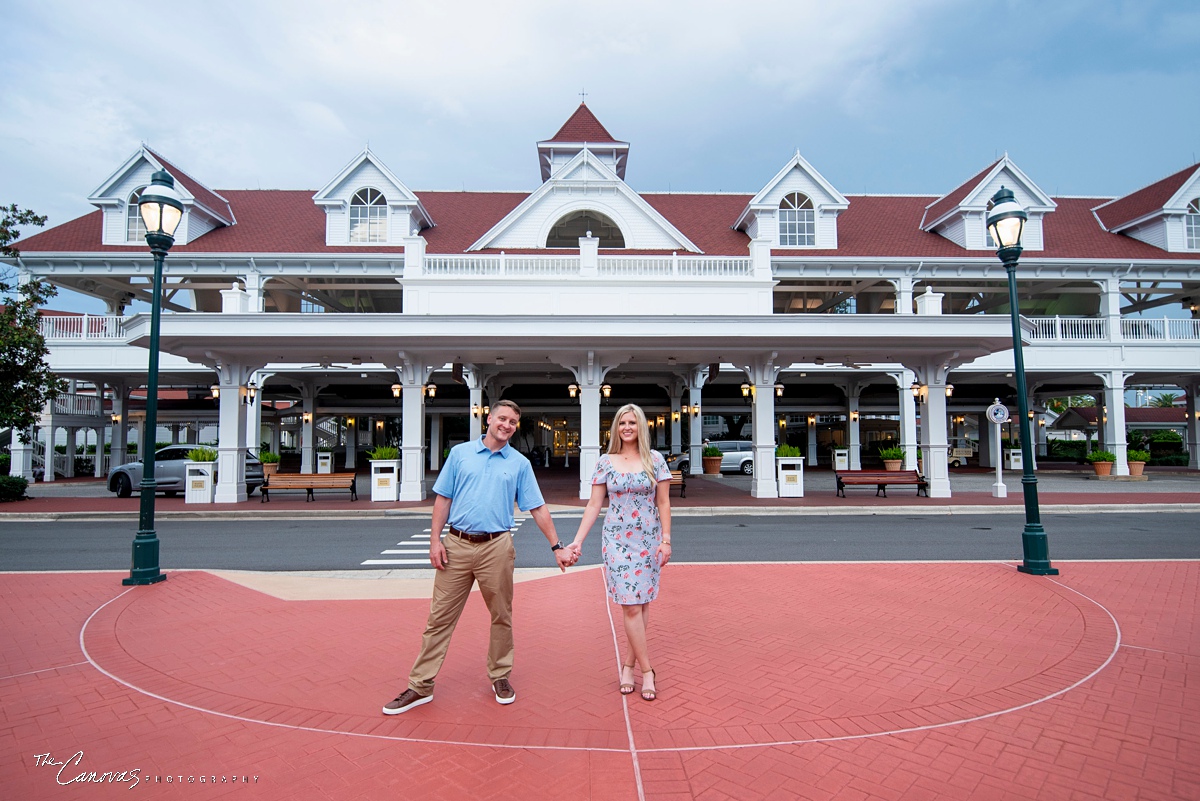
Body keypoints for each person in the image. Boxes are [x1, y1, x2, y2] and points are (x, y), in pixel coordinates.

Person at [383, 400, 576, 715]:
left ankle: (500, 676)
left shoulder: (518, 463)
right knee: (439, 619)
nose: (507, 425)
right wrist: (435, 541)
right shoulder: (460, 455)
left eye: (513, 421)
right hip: (456, 545)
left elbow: (537, 507)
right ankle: (420, 685)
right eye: (502, 418)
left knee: (502, 615)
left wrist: (557, 547)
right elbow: (443, 499)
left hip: (496, 547)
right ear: (489, 419)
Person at [568, 403, 672, 701]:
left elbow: (663, 503)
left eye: (632, 422)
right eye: (622, 422)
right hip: (616, 541)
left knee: (641, 603)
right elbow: (593, 504)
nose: (627, 427)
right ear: (616, 427)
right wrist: (578, 541)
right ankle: (648, 671)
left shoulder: (655, 460)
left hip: (648, 539)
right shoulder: (605, 461)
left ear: (641, 426)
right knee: (630, 605)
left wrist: (666, 540)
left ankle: (628, 665)